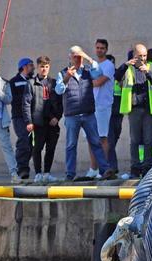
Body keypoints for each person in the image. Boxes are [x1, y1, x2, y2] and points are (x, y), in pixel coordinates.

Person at [55, 46, 110, 181]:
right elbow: (58, 90)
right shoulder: (63, 73)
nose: (77, 59)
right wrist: (67, 77)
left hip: (88, 114)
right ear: (70, 58)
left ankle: (105, 170)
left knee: (95, 142)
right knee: (71, 145)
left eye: (79, 57)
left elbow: (99, 73)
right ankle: (70, 173)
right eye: (75, 57)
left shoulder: (87, 71)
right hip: (72, 115)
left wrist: (88, 58)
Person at [114, 43, 152, 178]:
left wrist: (147, 71)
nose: (143, 58)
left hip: (148, 109)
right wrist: (125, 65)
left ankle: (147, 167)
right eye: (140, 56)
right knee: (134, 140)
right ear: (134, 55)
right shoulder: (128, 68)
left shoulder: (151, 67)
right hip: (134, 108)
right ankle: (135, 168)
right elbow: (116, 77)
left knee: (148, 139)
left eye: (145, 55)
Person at [23, 55, 63, 184]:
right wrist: (29, 121)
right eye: (41, 67)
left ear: (49, 67)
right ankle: (38, 173)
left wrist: (57, 117)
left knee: (51, 148)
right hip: (38, 122)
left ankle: (47, 173)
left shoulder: (54, 83)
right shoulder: (31, 83)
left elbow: (61, 102)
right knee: (37, 148)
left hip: (52, 122)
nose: (44, 69)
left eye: (46, 67)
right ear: (38, 67)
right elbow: (26, 103)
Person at [88, 39, 117, 180]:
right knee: (91, 138)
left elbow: (99, 82)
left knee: (102, 138)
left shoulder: (109, 65)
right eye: (98, 47)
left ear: (106, 49)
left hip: (103, 106)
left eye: (102, 48)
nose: (99, 50)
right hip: (90, 106)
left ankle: (102, 168)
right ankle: (93, 168)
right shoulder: (92, 66)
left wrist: (87, 82)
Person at [9, 57, 34, 181]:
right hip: (19, 117)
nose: (33, 67)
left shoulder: (33, 81)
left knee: (32, 144)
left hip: (32, 117)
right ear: (23, 67)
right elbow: (12, 99)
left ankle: (26, 168)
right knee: (23, 141)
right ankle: (22, 169)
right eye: (30, 65)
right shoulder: (14, 82)